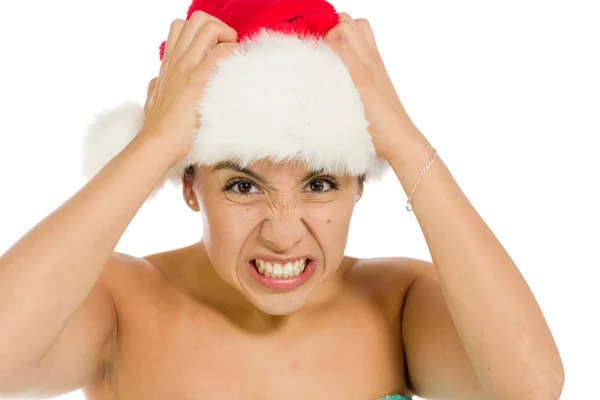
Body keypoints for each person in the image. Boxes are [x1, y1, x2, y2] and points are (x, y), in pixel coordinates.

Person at [0, 0, 564, 399]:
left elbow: (530, 386)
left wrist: (402, 138)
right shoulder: (121, 308)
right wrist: (158, 141)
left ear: (359, 185)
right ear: (191, 187)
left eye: (320, 184)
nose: (284, 233)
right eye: (243, 185)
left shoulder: (399, 306)